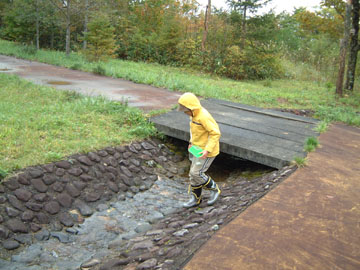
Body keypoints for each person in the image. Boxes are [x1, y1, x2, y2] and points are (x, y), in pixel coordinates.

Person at [178, 92, 221, 208]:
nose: (185, 112)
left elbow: (215, 133)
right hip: (196, 148)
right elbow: (195, 131)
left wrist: (207, 150)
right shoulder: (193, 116)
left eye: (186, 110)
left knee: (196, 173)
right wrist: (191, 142)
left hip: (206, 151)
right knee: (193, 175)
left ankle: (214, 189)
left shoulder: (203, 116)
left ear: (192, 107)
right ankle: (196, 198)